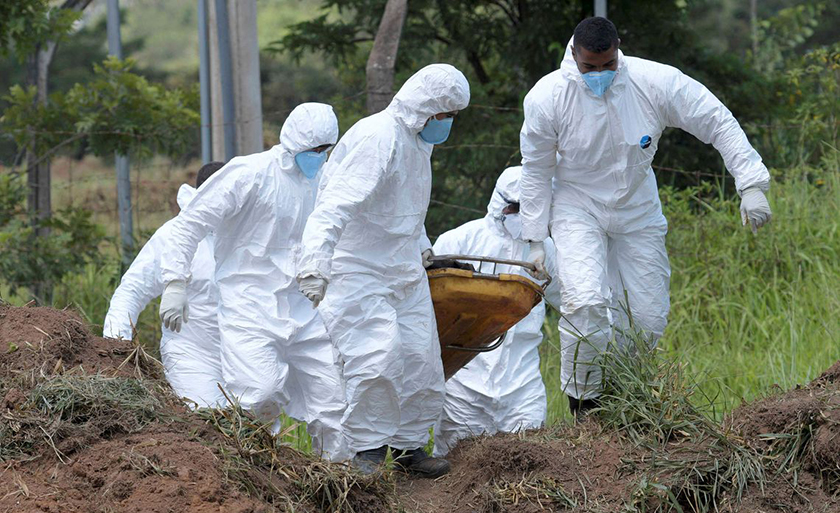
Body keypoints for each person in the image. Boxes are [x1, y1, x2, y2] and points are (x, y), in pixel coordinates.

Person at [519, 17, 772, 413]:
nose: (599, 75)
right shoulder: (547, 97)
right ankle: (586, 405)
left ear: (618, 49)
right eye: (590, 68)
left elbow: (715, 119)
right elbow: (535, 168)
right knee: (585, 301)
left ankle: (625, 392)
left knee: (649, 316)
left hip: (637, 205)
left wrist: (751, 183)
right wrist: (534, 238)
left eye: (608, 66)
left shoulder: (655, 82)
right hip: (577, 204)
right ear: (574, 56)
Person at [295, 64, 470, 477]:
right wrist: (315, 262)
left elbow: (404, 210)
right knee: (377, 356)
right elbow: (334, 206)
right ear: (424, 109)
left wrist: (427, 254)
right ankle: (368, 451)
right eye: (444, 115)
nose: (447, 124)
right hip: (359, 268)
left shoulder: (416, 143)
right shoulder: (380, 137)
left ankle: (409, 447)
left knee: (420, 359)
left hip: (402, 267)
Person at [158, 103, 349, 462]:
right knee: (258, 394)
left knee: (332, 399)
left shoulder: (322, 181)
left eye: (327, 150)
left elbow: (335, 228)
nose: (321, 158)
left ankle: (342, 481)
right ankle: (252, 468)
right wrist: (175, 283)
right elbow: (189, 225)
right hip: (248, 304)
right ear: (293, 145)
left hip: (303, 307)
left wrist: (318, 270)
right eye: (314, 151)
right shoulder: (248, 174)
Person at [431, 166, 563, 456]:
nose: (525, 216)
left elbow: (571, 302)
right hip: (463, 384)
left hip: (521, 384)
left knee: (529, 465)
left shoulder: (546, 252)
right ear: (499, 204)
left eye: (533, 208)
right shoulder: (459, 241)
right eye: (517, 208)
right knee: (453, 473)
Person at [103, 162, 225, 408]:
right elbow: (132, 290)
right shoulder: (174, 236)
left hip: (247, 353)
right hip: (193, 355)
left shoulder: (253, 233)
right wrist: (117, 348)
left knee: (258, 425)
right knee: (206, 422)